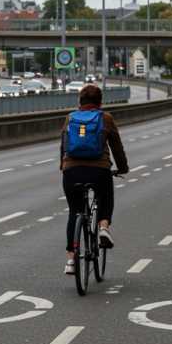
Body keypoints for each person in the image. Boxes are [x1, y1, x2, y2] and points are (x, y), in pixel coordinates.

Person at [60, 84, 128, 275]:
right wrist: (122, 168)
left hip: (71, 171)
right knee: (105, 197)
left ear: (79, 102)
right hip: (99, 170)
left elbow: (63, 147)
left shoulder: (70, 118)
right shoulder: (105, 118)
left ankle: (71, 260)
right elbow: (117, 147)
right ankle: (104, 227)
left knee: (74, 211)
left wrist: (63, 167)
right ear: (100, 102)